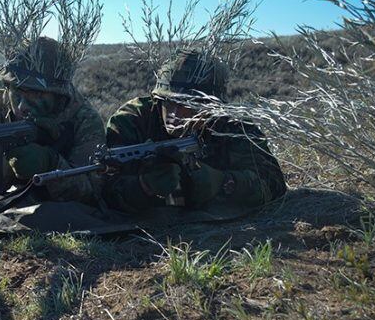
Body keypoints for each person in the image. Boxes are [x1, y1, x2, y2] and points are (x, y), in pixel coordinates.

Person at [103, 50, 287, 213]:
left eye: (188, 105)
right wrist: (143, 187)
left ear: (212, 106)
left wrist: (223, 183)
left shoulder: (233, 127)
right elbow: (101, 190)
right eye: (167, 101)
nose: (175, 113)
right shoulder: (132, 120)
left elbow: (274, 183)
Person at [0, 36, 105, 204]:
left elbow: (93, 191)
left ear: (58, 96)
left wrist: (51, 164)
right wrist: (7, 166)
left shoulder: (83, 119)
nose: (21, 106)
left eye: (37, 95)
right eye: (18, 91)